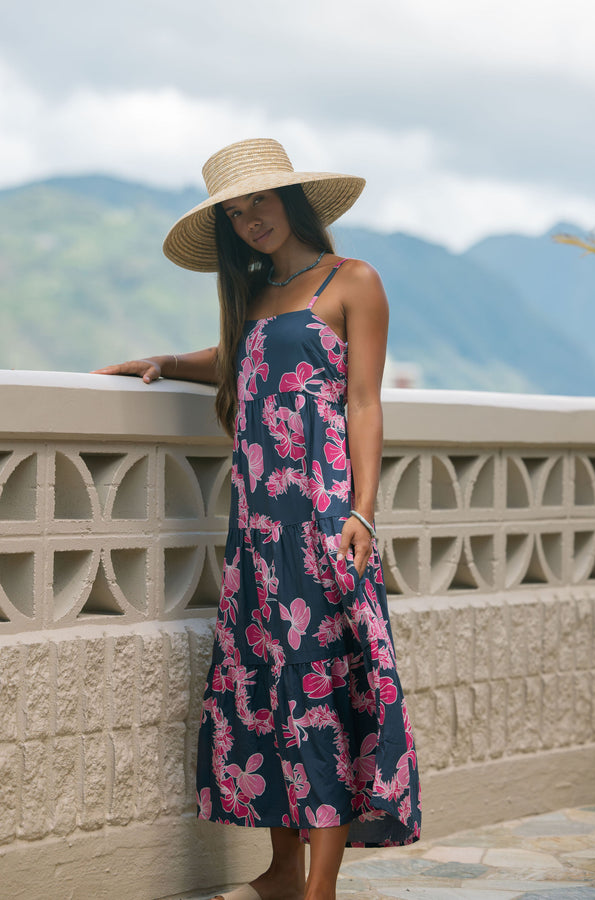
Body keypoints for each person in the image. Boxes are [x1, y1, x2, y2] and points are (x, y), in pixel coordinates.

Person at [95, 139, 421, 900]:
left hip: (321, 520)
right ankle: (279, 870)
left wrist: (363, 515)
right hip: (255, 532)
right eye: (236, 215)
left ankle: (320, 886)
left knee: (321, 690)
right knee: (268, 688)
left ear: (293, 201)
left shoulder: (352, 282)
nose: (249, 222)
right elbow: (241, 356)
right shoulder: (254, 294)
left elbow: (366, 404)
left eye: (259, 204)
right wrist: (166, 363)